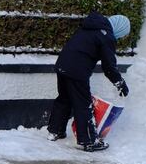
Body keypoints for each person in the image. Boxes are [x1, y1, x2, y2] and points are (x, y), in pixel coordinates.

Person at [46, 12, 131, 151]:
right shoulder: (106, 36)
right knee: (84, 105)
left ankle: (55, 131)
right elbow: (109, 66)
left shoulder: (90, 27)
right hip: (77, 71)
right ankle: (88, 141)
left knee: (64, 99)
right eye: (120, 35)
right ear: (118, 29)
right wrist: (120, 83)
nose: (118, 38)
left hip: (62, 65)